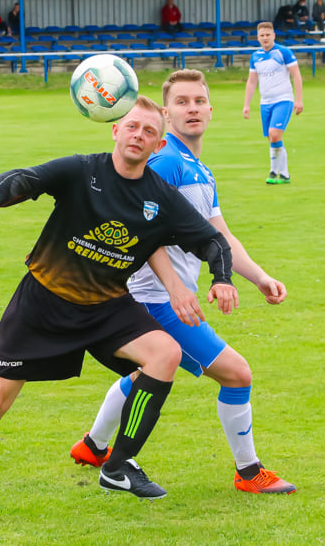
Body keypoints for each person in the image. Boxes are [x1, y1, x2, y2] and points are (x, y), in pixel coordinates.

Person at [0, 95, 239, 517]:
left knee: (165, 353)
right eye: (132, 127)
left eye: (149, 132)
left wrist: (221, 279)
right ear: (114, 130)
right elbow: (21, 178)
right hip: (43, 303)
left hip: (106, 305)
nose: (139, 136)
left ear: (159, 145)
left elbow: (211, 240)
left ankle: (118, 464)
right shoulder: (82, 170)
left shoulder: (160, 196)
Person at [70, 69, 296, 494]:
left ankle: (93, 446)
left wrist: (258, 276)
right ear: (167, 113)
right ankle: (249, 473)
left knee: (145, 373)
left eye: (198, 101)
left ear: (211, 109)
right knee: (236, 374)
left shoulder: (198, 169)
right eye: (181, 102)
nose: (191, 108)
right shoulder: (165, 162)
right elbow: (141, 230)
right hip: (153, 299)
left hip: (160, 299)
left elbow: (220, 236)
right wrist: (175, 287)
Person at [243, 22, 304, 185]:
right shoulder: (255, 56)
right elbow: (251, 81)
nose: (265, 38)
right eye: (262, 35)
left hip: (283, 99)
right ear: (258, 37)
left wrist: (299, 99)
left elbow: (296, 75)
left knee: (275, 133)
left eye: (267, 35)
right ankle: (284, 175)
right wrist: (246, 104)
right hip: (265, 102)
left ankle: (273, 171)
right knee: (272, 137)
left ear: (273, 35)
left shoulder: (283, 52)